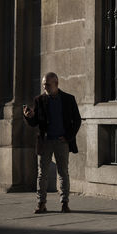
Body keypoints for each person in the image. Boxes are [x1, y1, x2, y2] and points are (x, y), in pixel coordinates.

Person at [23, 72, 81, 214]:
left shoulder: (68, 99)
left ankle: (65, 203)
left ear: (56, 84)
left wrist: (68, 137)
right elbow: (35, 122)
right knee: (42, 174)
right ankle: (41, 203)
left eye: (48, 84)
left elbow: (77, 120)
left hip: (62, 142)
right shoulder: (39, 100)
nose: (45, 87)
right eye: (43, 84)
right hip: (45, 142)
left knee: (63, 173)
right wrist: (29, 117)